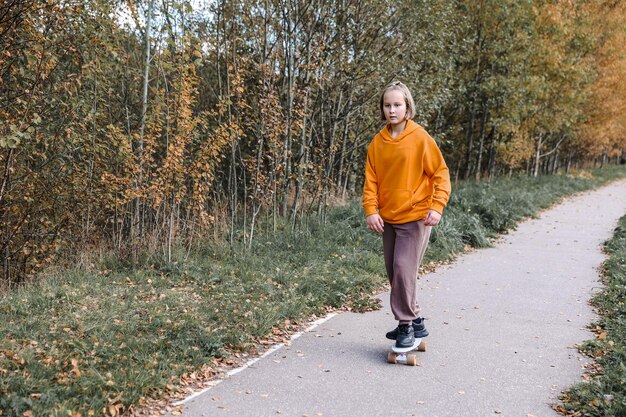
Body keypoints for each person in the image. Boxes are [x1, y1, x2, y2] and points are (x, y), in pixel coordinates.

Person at [362, 81, 451, 349]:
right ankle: (418, 321)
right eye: (387, 105)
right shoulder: (377, 143)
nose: (392, 110)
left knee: (403, 269)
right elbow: (371, 181)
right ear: (382, 109)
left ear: (407, 107)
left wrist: (437, 206)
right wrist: (371, 210)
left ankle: (406, 327)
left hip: (416, 217)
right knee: (395, 272)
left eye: (397, 105)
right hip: (389, 218)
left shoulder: (420, 138)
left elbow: (441, 174)